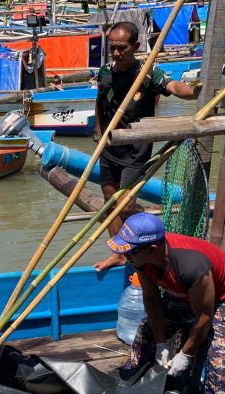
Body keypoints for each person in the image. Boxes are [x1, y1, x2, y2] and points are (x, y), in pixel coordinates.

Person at [108, 213, 225, 394]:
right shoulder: (140, 258)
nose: (126, 256)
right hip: (184, 292)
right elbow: (152, 298)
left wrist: (186, 354)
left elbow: (204, 316)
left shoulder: (191, 266)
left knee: (220, 364)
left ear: (152, 249)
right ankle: (133, 387)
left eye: (130, 252)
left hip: (223, 298)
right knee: (146, 331)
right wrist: (161, 343)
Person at [93, 21, 202, 272]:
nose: (116, 53)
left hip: (135, 150)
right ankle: (119, 253)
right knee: (110, 202)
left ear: (136, 46)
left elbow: (174, 87)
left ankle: (147, 240)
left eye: (122, 48)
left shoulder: (147, 73)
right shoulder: (105, 71)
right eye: (112, 48)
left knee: (126, 206)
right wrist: (99, 133)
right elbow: (99, 102)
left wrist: (193, 93)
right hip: (109, 147)